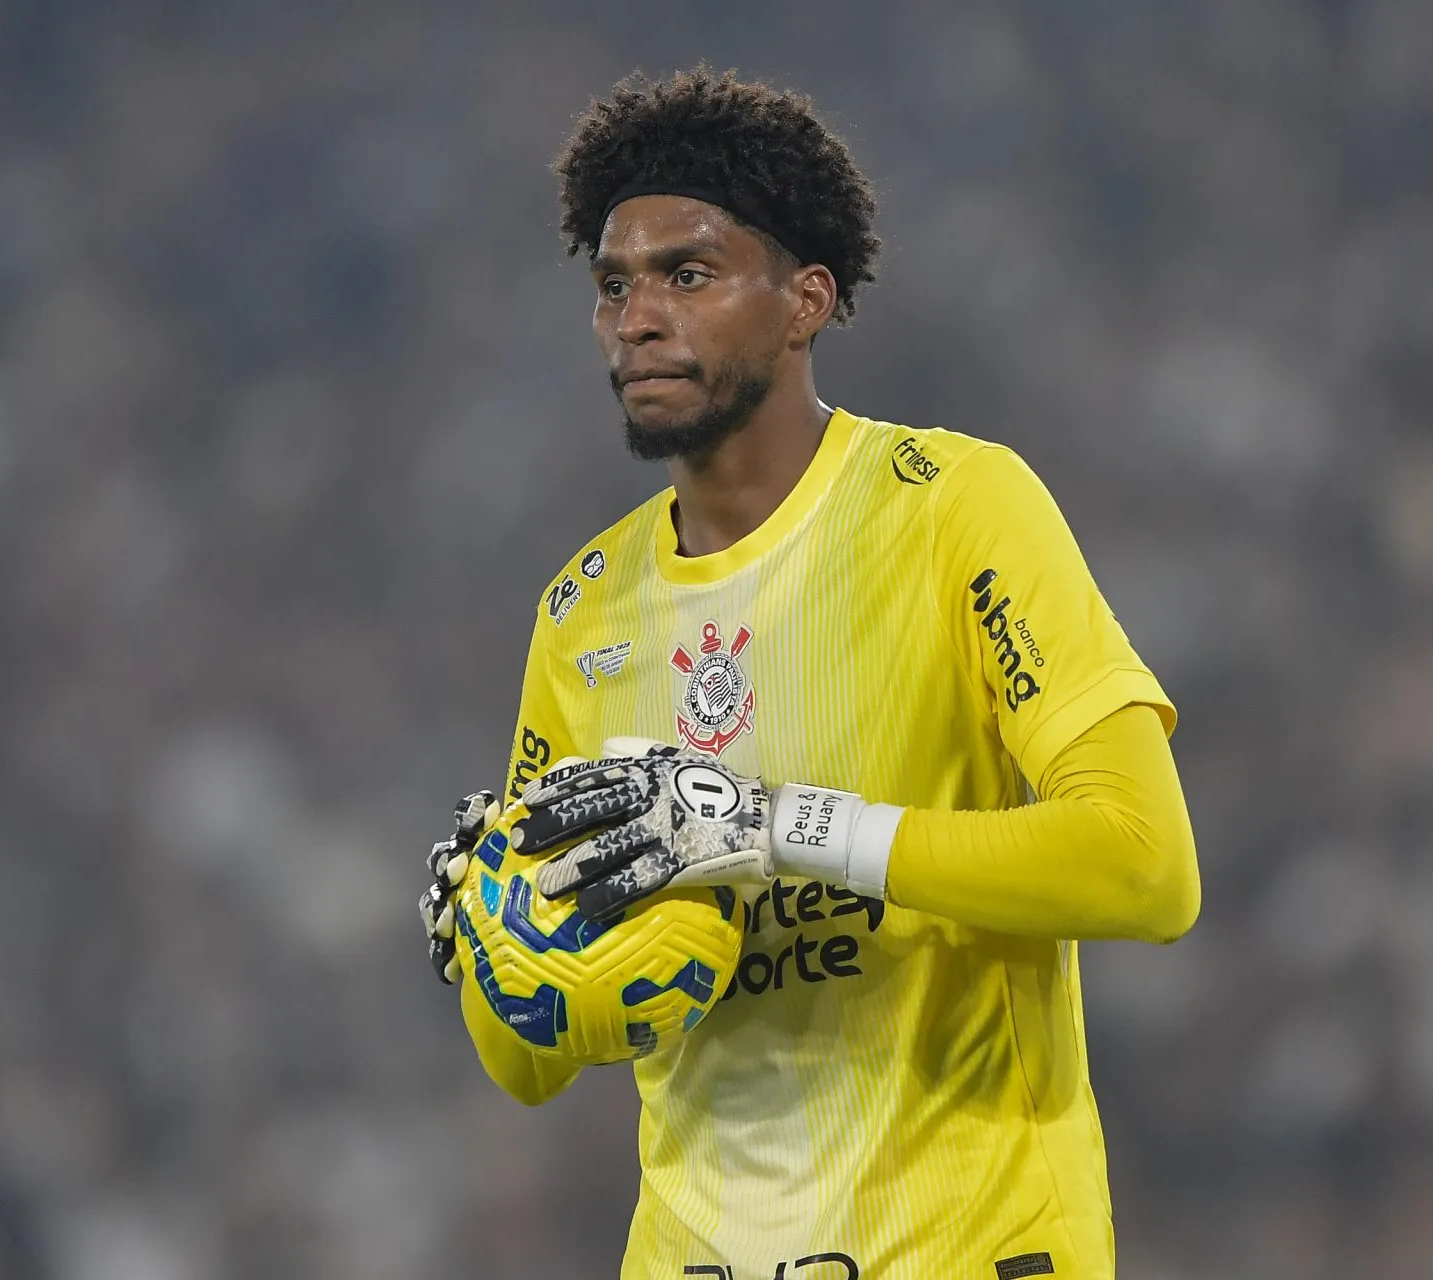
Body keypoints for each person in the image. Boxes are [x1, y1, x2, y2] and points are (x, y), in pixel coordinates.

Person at [422, 67, 1201, 1280]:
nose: (637, 318)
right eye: (614, 286)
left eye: (688, 274)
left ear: (806, 300)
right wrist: (494, 935)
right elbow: (527, 1063)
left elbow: (1146, 863)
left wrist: (775, 827)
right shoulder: (581, 613)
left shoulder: (956, 507)